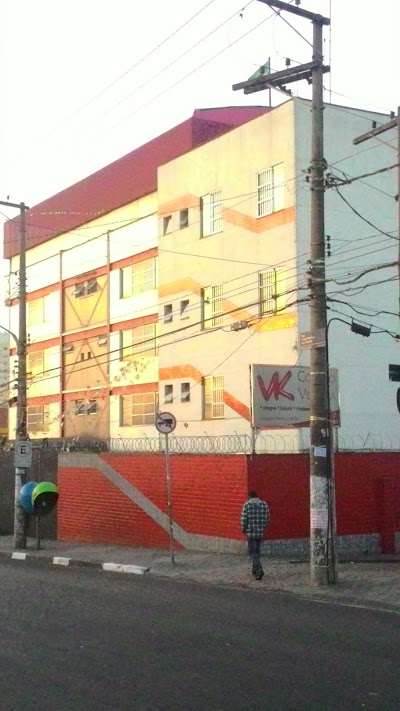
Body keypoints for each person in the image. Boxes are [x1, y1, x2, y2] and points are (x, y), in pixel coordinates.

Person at [240, 491, 270, 580]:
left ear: (249, 496)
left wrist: (243, 529)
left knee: (253, 552)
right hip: (260, 532)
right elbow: (267, 518)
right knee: (257, 551)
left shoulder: (247, 505)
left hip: (250, 532)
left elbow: (244, 519)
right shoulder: (264, 504)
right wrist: (263, 527)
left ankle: (259, 570)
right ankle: (254, 570)